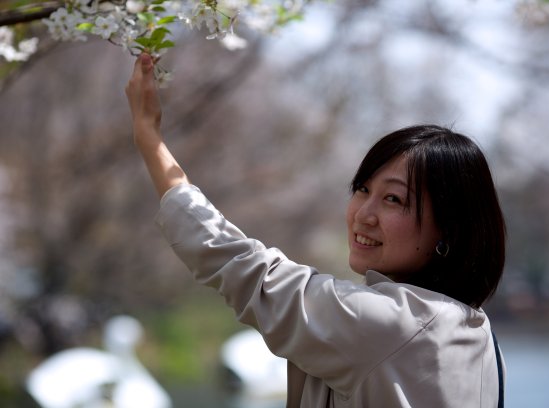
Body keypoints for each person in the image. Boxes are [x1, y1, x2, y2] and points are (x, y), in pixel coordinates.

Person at [125, 53, 506, 407]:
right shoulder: (476, 332)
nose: (364, 214)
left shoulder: (391, 324)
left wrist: (149, 138)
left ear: (448, 231)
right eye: (362, 189)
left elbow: (244, 268)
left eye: (394, 200)